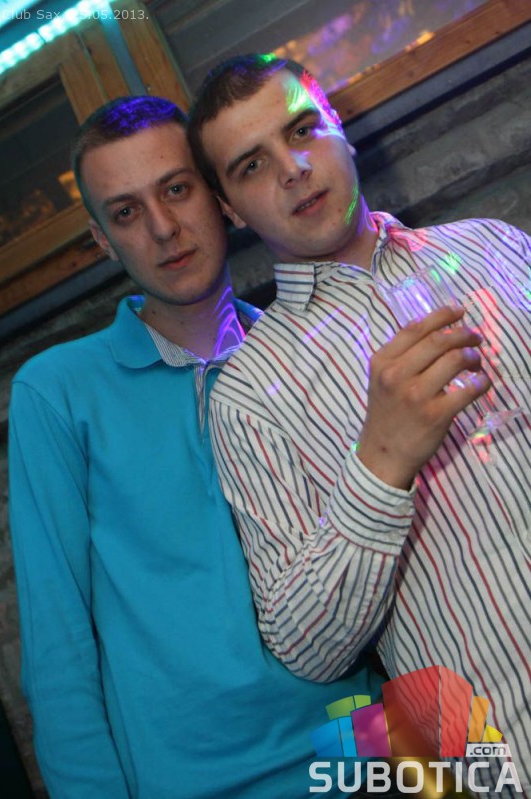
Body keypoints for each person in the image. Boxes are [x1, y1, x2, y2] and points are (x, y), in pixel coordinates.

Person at [7, 96, 381, 798]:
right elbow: (57, 650)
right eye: (126, 212)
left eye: (176, 189)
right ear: (102, 240)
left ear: (217, 195)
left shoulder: (304, 350)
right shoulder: (56, 393)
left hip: (365, 753)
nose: (162, 228)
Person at [188, 55, 530, 795]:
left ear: (338, 126)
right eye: (252, 165)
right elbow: (306, 647)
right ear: (231, 208)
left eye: (302, 130)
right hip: (497, 758)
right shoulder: (247, 394)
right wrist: (381, 462)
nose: (293, 168)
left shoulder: (493, 248)